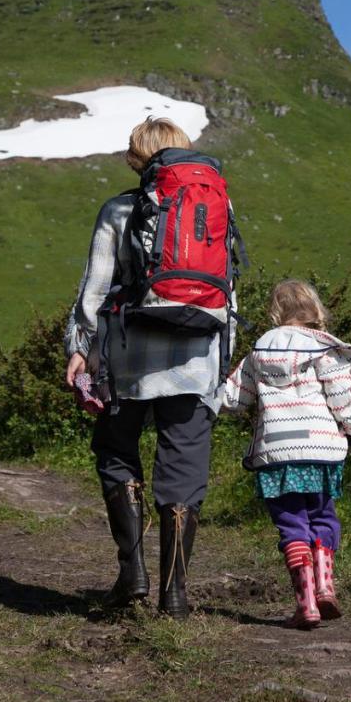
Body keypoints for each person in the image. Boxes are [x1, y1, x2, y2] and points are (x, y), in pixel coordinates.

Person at [64, 117, 237, 619]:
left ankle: (131, 572)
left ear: (137, 159)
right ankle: (175, 594)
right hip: (196, 357)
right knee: (183, 468)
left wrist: (80, 349)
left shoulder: (119, 209)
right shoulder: (217, 203)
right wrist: (224, 360)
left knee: (117, 451)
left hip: (127, 359)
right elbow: (229, 289)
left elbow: (95, 289)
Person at [222, 279, 351, 630]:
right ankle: (325, 587)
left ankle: (306, 605)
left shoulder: (259, 349)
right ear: (315, 310)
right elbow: (342, 397)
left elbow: (233, 399)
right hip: (322, 450)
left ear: (276, 312)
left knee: (292, 523)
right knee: (323, 516)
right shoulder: (323, 349)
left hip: (277, 454)